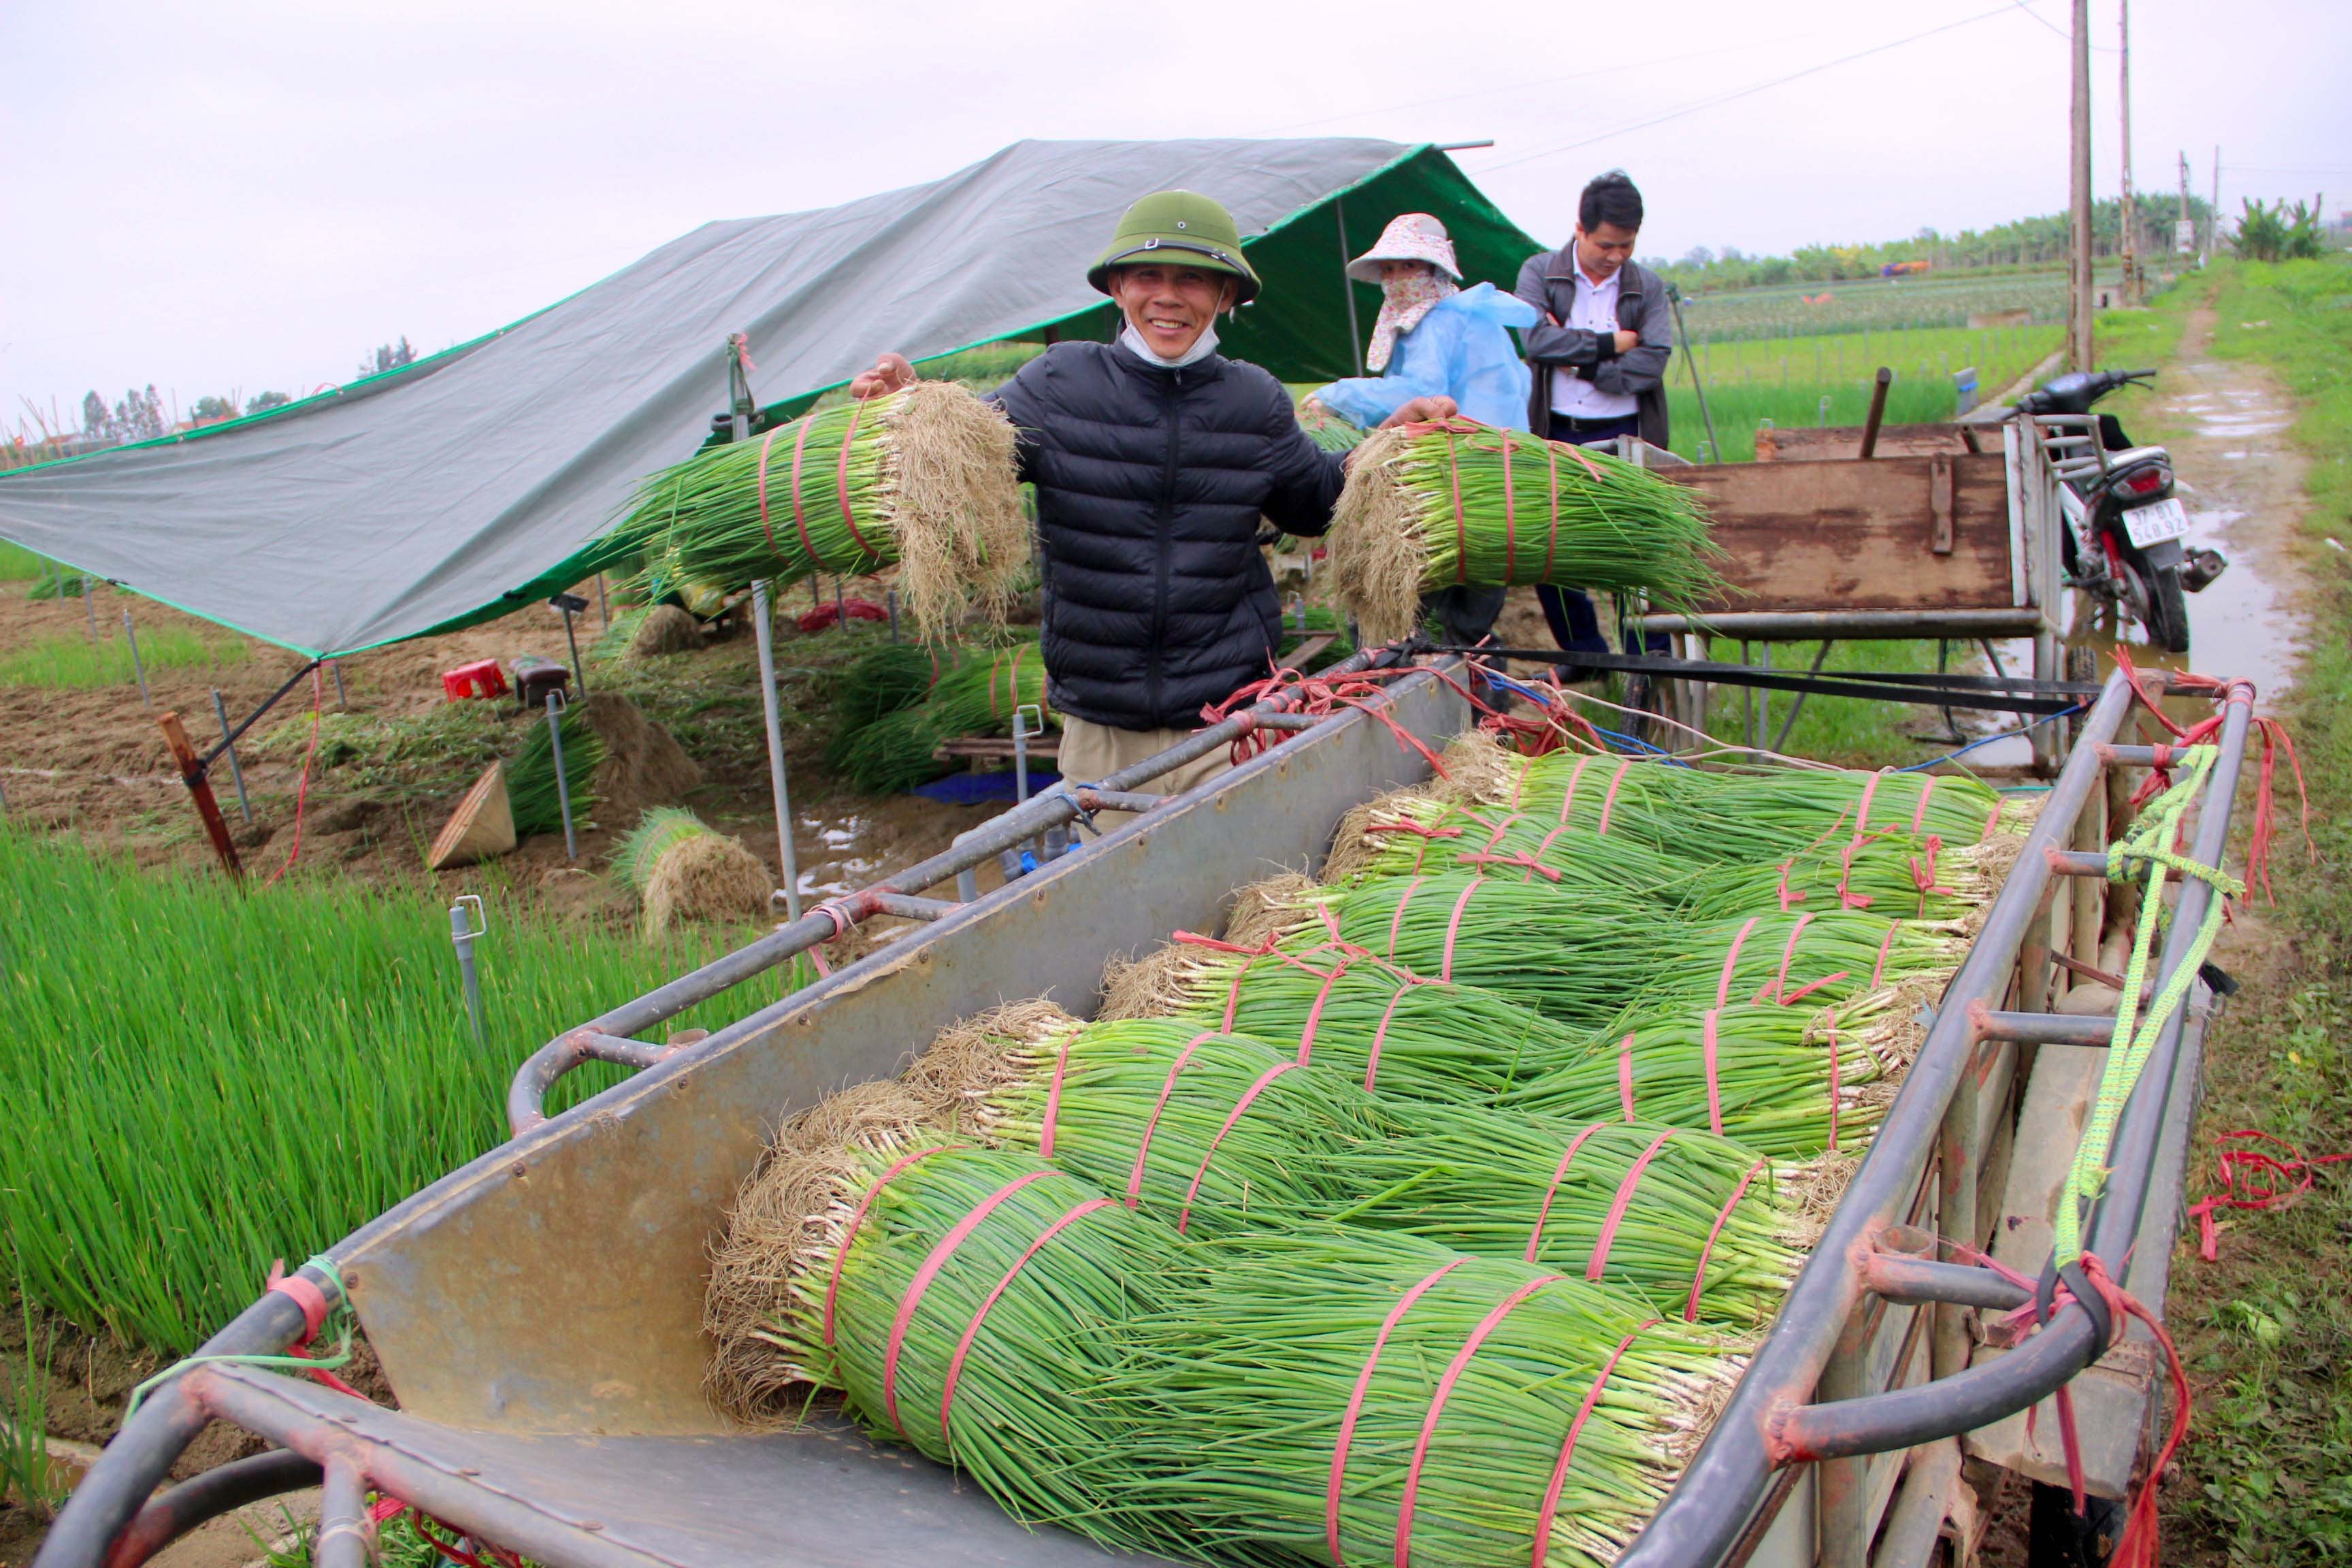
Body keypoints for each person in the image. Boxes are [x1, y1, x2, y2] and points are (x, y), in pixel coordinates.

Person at [848, 190, 1452, 822]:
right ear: (1117, 288)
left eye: (1193, 279)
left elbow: (1314, 501)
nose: (1168, 297)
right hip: (1103, 725)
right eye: (1147, 275)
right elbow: (967, 454)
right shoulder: (1059, 383)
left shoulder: (1253, 399)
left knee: (1240, 897)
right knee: (1123, 902)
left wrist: (1386, 443)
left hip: (1232, 716)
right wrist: (910, 411)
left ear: (1225, 297)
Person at [1307, 213, 1539, 647]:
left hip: (1454, 489)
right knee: (1471, 627)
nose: (1397, 279)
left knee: (1389, 616)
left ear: (1436, 270)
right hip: (1500, 493)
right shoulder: (1476, 316)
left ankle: (1392, 699)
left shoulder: (1441, 321)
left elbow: (1419, 394)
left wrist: (1337, 396)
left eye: (1409, 267)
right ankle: (1485, 709)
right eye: (1389, 270)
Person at [1516, 170, 1673, 655]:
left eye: (1626, 245)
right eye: (1606, 244)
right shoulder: (1540, 273)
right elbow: (1534, 339)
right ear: (1580, 230)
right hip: (1557, 430)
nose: (1616, 256)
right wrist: (1610, 345)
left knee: (1636, 547)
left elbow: (1653, 359)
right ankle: (1585, 653)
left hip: (1629, 430)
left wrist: (1581, 365)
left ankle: (1649, 656)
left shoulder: (1647, 287)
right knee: (1552, 547)